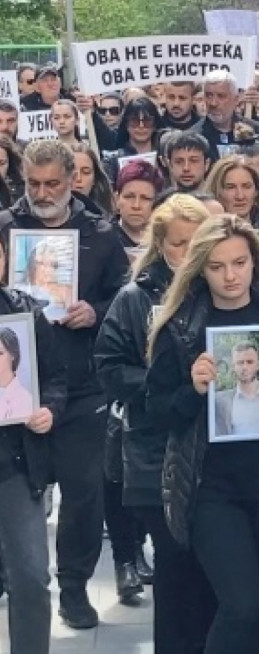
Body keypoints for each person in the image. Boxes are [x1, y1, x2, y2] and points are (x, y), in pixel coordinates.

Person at [146, 214, 259, 654]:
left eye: (239, 263)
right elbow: (156, 412)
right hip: (210, 485)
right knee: (240, 605)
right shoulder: (180, 327)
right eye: (217, 266)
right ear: (200, 269)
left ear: (255, 262)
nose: (230, 275)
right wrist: (192, 390)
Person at [0, 139, 130, 629]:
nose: (42, 193)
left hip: (81, 385)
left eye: (52, 183)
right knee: (15, 490)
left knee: (82, 494)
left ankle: (74, 588)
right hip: (15, 389)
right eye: (33, 184)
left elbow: (125, 298)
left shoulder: (101, 233)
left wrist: (95, 311)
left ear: (73, 179)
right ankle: (16, 576)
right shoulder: (5, 227)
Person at [96, 193, 216, 653]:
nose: (188, 253)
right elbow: (109, 367)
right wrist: (165, 384)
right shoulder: (135, 297)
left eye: (197, 242)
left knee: (211, 572)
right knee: (175, 573)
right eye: (179, 243)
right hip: (154, 453)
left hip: (214, 454)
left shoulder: (223, 289)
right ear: (161, 245)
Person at [0, 231, 67, 654]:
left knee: (30, 576)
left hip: (14, 463)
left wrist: (49, 410)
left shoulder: (24, 312)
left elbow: (56, 378)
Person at [205, 155, 259, 251]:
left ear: (256, 190)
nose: (240, 196)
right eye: (230, 187)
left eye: (247, 186)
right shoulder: (205, 232)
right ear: (217, 191)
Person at [187, 70, 259, 161]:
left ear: (236, 99)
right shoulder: (193, 138)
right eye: (209, 96)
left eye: (221, 96)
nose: (213, 103)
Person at [214, 341, 259, 438]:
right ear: (233, 366)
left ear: (258, 365)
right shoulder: (219, 401)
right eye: (240, 363)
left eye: (250, 362)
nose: (245, 367)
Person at [113, 159, 163, 250]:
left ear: (157, 203)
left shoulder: (165, 239)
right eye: (129, 197)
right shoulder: (102, 239)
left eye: (145, 198)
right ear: (117, 199)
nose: (136, 206)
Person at [69, 143, 115, 215]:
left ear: (94, 178)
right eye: (71, 171)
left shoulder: (106, 219)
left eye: (86, 172)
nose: (78, 178)